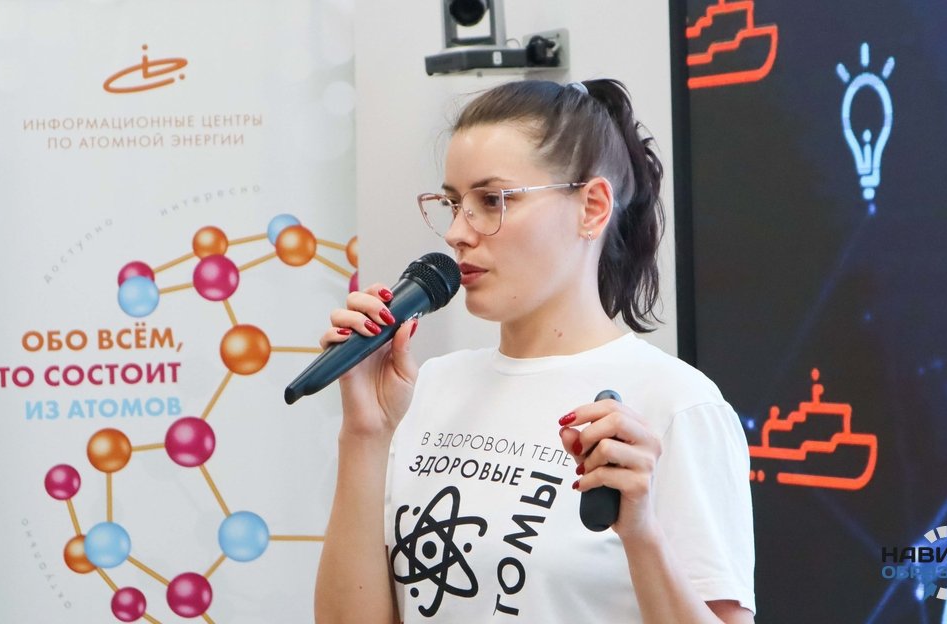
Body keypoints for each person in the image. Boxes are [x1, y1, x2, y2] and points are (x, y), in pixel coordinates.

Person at [314, 78, 755, 623]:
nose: (456, 233)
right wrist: (366, 432)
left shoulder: (676, 404)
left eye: (492, 200)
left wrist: (641, 533)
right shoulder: (426, 388)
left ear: (592, 207)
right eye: (453, 203)